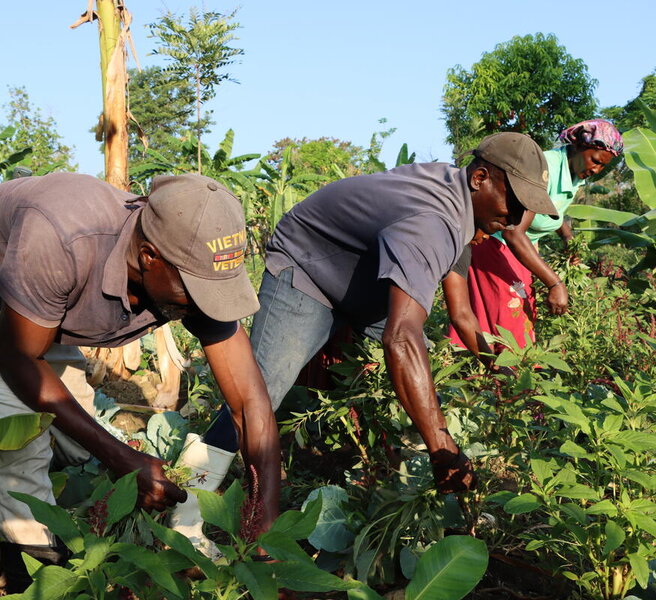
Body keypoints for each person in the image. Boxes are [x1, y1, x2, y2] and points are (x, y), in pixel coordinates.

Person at [173, 132, 559, 550]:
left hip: (363, 285)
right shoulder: (435, 220)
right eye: (514, 199)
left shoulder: (463, 213)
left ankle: (415, 509)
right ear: (480, 177)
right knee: (256, 395)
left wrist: (499, 363)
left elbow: (461, 314)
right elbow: (401, 338)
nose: (520, 214)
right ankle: (184, 510)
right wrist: (441, 444)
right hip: (309, 270)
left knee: (426, 381)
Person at [0, 172, 280, 589]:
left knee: (73, 440)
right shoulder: (63, 235)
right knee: (23, 433)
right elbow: (16, 357)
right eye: (195, 291)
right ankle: (33, 575)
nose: (204, 306)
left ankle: (62, 529)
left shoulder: (185, 267)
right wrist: (120, 456)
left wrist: (265, 517)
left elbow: (249, 401)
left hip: (38, 313)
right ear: (150, 256)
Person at [448, 119, 623, 350]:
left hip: (519, 250)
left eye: (602, 167)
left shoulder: (575, 175)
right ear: (579, 146)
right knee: (508, 309)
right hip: (493, 241)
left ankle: (501, 373)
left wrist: (568, 239)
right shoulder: (544, 168)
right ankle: (503, 373)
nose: (596, 170)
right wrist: (555, 283)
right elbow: (513, 232)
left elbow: (553, 211)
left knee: (523, 307)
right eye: (595, 161)